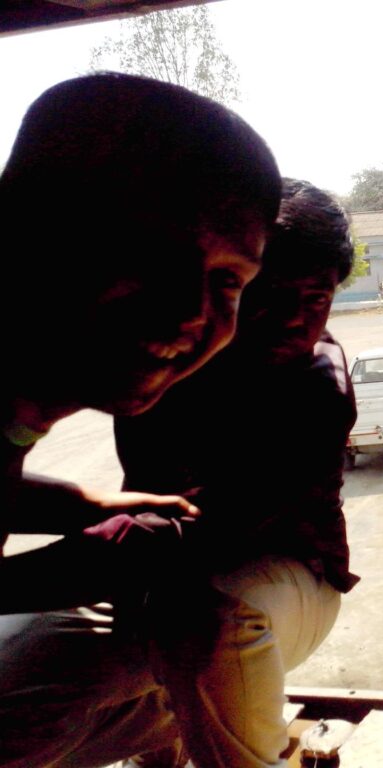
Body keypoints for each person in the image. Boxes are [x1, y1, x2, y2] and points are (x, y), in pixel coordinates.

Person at [0, 180, 358, 768]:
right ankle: (162, 732)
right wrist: (89, 504)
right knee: (15, 710)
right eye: (265, 293)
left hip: (280, 576)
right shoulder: (176, 345)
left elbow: (190, 532)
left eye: (316, 298)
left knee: (209, 622)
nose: (294, 320)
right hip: (152, 574)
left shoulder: (314, 388)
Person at [0, 73, 281, 612]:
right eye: (151, 255)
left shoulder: (17, 409)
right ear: (25, 232)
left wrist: (92, 505)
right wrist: (113, 556)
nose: (190, 312)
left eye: (227, 280)